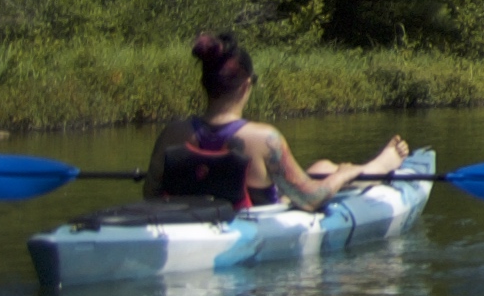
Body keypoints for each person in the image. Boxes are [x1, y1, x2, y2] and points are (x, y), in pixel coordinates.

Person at [143, 32, 409, 210]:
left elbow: (152, 194)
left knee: (321, 166)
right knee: (332, 172)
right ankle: (376, 167)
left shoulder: (171, 134)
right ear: (246, 85)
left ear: (205, 84)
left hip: (194, 223)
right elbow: (309, 198)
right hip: (253, 225)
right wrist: (344, 175)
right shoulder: (264, 139)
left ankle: (368, 167)